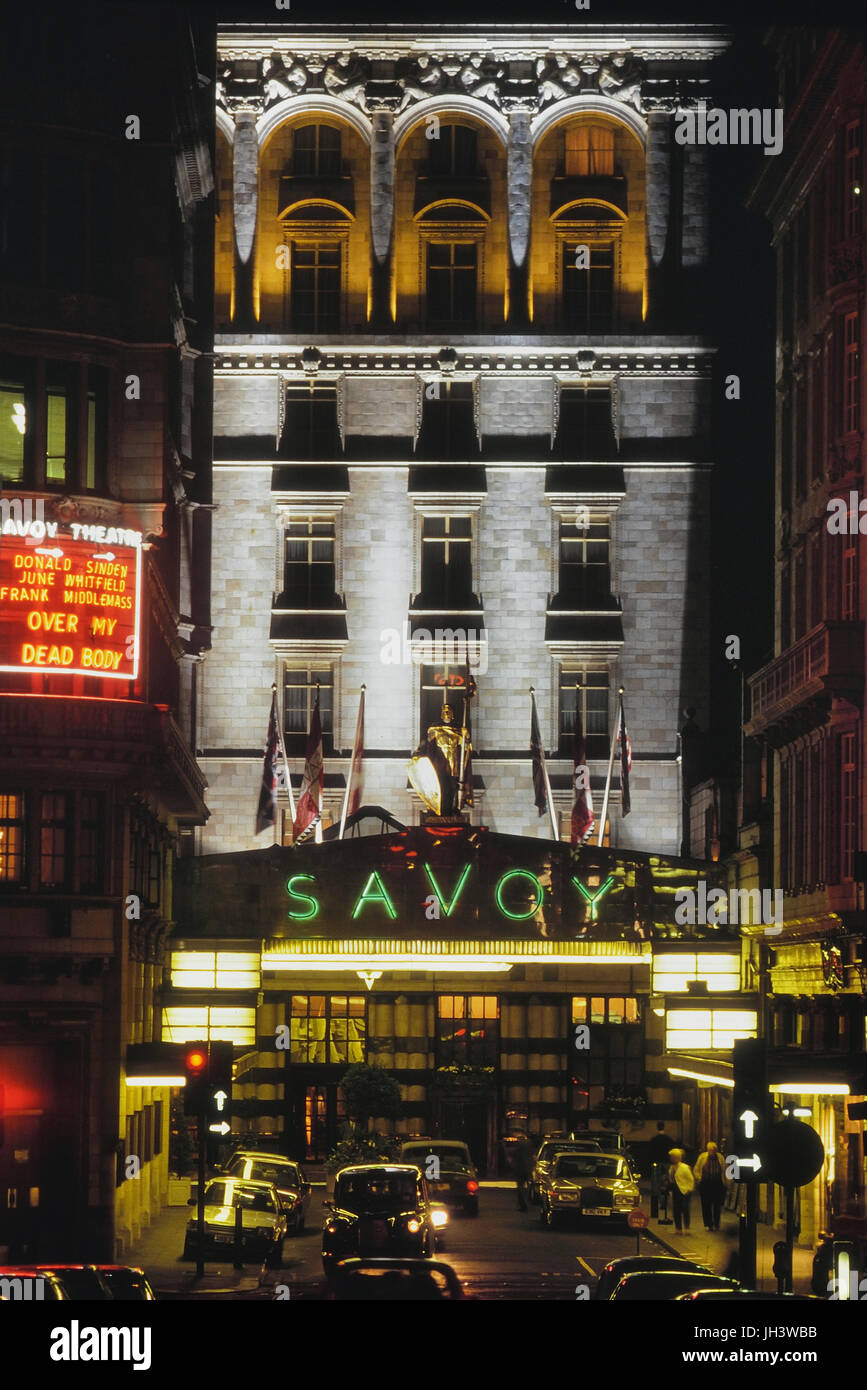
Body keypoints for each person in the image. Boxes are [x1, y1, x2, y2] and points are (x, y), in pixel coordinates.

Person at [693, 1141, 726, 1231]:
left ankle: (716, 1223)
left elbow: (724, 1169)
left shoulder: (720, 1157)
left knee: (717, 1205)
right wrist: (699, 1178)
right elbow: (696, 1168)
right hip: (706, 1183)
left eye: (713, 1149)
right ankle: (708, 1224)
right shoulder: (703, 1157)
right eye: (710, 1149)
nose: (712, 1151)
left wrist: (725, 1181)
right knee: (706, 1204)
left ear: (716, 1150)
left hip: (717, 1183)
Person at [668, 1148, 694, 1233]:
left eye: (673, 1157)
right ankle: (678, 1228)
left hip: (684, 1191)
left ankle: (686, 1227)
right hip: (675, 1191)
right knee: (676, 1210)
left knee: (685, 1209)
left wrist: (688, 1190)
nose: (671, 1158)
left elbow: (690, 1180)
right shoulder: (671, 1168)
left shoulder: (684, 1167)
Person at [511, 1135, 533, 1212]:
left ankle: (523, 1204)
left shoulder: (519, 1147)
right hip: (527, 1169)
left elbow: (514, 1154)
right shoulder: (529, 1147)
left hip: (520, 1170)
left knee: (520, 1188)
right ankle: (525, 1203)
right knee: (526, 1188)